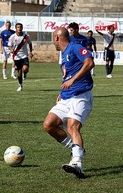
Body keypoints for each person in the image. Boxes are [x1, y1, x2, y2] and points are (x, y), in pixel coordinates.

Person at [43, 27, 94, 179]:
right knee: (48, 125)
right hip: (66, 97)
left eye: (54, 38)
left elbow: (90, 62)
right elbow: (68, 75)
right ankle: (76, 148)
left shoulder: (75, 47)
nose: (54, 42)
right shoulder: (64, 53)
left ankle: (77, 163)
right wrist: (62, 93)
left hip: (80, 96)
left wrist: (73, 80)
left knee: (72, 127)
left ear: (57, 38)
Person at [8, 23, 33, 91]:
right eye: (18, 27)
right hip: (16, 57)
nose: (19, 28)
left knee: (25, 69)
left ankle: (25, 73)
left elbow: (30, 43)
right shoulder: (12, 37)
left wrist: (30, 52)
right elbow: (9, 45)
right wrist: (11, 49)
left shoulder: (26, 36)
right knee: (19, 73)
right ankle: (20, 85)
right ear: (16, 28)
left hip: (24, 56)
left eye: (20, 27)